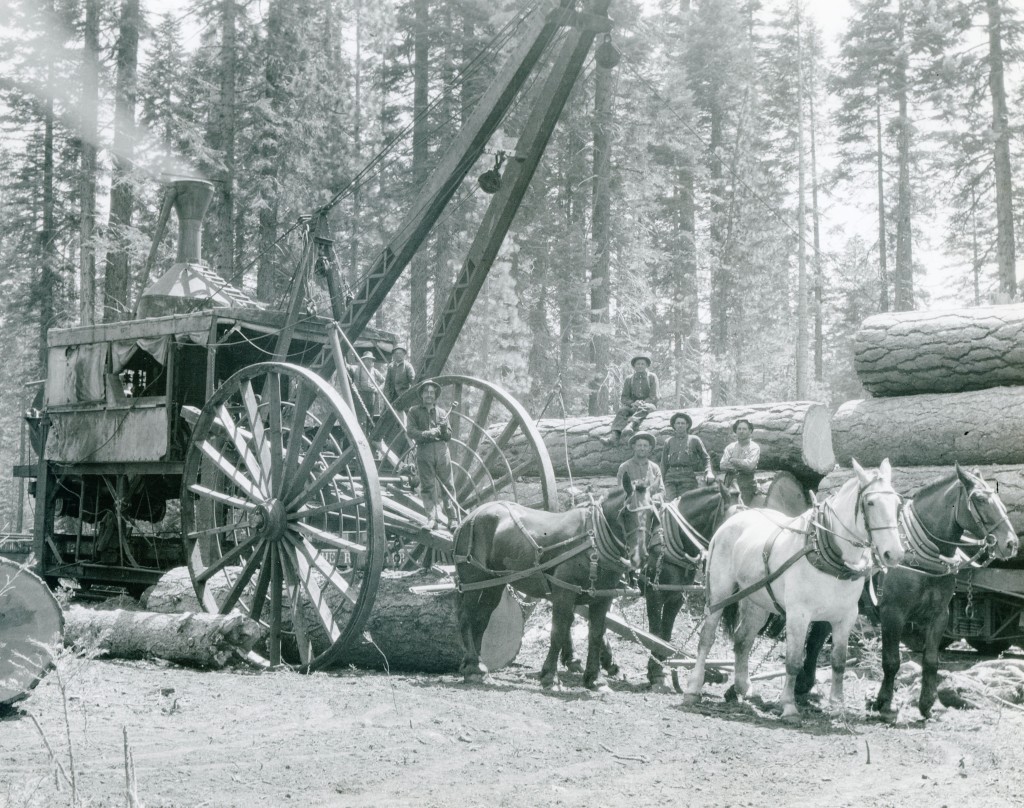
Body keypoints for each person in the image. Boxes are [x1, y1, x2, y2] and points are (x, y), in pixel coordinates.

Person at [407, 380, 458, 531]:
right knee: (428, 486)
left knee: (448, 485)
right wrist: (426, 433)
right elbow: (410, 431)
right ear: (422, 394)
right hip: (424, 451)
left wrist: (443, 429)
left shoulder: (442, 413)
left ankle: (453, 519)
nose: (429, 395)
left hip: (442, 451)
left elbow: (448, 436)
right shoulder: (413, 411)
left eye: (432, 392)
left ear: (435, 395)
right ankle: (432, 519)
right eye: (426, 392)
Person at [603, 354, 658, 445]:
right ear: (634, 366)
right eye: (638, 364)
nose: (640, 366)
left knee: (646, 407)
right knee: (622, 411)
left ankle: (630, 425)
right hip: (634, 407)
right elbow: (624, 397)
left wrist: (643, 402)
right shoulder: (629, 379)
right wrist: (632, 403)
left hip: (649, 405)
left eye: (642, 364)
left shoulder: (651, 377)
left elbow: (654, 396)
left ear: (646, 366)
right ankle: (615, 436)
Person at [659, 412, 715, 500]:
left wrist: (709, 472)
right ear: (674, 425)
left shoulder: (694, 440)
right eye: (678, 423)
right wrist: (660, 482)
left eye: (683, 423)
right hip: (670, 478)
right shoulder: (668, 442)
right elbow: (663, 464)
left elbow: (706, 458)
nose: (680, 425)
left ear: (687, 425)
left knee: (685, 504)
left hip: (687, 478)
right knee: (667, 504)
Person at [720, 418, 760, 505]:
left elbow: (750, 466)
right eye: (739, 429)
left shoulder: (754, 447)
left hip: (746, 485)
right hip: (729, 483)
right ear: (736, 431)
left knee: (741, 509)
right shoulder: (730, 447)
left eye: (744, 429)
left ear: (750, 431)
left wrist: (732, 460)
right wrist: (742, 464)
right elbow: (722, 465)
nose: (741, 431)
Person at [350, 350, 384, 432]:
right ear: (363, 360)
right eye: (367, 359)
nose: (370, 361)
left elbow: (384, 381)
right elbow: (349, 367)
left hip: (371, 396)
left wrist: (378, 389)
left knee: (370, 416)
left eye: (371, 359)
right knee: (361, 417)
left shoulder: (375, 371)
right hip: (361, 395)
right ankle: (362, 434)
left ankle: (368, 434)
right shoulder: (358, 369)